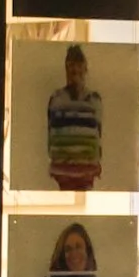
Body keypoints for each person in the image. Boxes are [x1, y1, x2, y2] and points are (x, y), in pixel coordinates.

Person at [44, 42, 104, 192]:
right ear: (66, 69)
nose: (75, 71)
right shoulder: (56, 99)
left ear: (85, 68)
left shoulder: (94, 100)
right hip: (62, 175)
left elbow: (98, 135)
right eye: (71, 66)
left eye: (79, 66)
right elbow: (50, 134)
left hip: (87, 174)